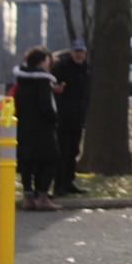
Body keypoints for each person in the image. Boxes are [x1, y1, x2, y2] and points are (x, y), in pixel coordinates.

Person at [13, 46, 62, 211]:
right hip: (42, 128)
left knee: (26, 161)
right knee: (51, 159)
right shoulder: (42, 80)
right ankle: (42, 197)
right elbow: (45, 106)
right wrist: (55, 119)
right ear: (42, 62)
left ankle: (28, 197)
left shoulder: (21, 79)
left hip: (24, 126)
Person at [50, 40, 91, 196]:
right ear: (71, 52)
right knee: (63, 151)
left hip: (78, 115)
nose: (79, 54)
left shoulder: (86, 69)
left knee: (73, 150)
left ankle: (68, 181)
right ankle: (59, 184)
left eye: (81, 51)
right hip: (64, 115)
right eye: (76, 51)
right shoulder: (61, 68)